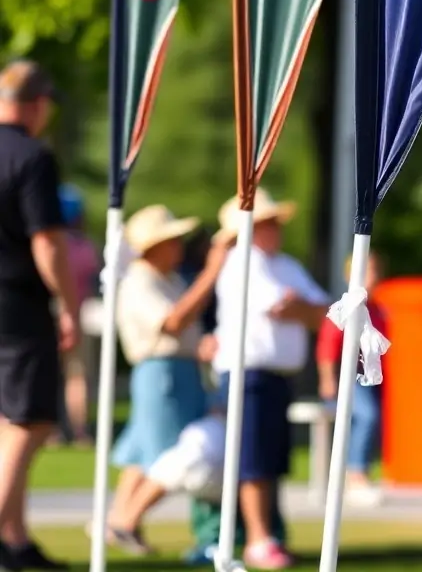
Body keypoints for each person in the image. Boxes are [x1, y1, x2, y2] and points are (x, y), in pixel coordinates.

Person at [214, 189, 329, 572]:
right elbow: (281, 307)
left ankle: (269, 534)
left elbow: (321, 312)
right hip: (248, 373)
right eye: (268, 221)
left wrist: (298, 308)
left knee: (272, 461)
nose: (276, 228)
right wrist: (299, 308)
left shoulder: (285, 265)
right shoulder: (240, 262)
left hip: (276, 376)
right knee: (254, 461)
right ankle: (258, 539)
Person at [107, 205, 231, 554]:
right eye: (172, 240)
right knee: (169, 455)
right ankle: (124, 520)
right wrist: (212, 272)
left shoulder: (170, 279)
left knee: (142, 453)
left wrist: (200, 344)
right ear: (154, 246)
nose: (179, 246)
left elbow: (184, 327)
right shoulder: (138, 279)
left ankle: (120, 521)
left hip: (180, 368)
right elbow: (172, 323)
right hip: (161, 371)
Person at [0, 59, 79, 572]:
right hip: (16, 302)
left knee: (6, 424)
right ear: (37, 104)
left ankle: (15, 542)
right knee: (30, 420)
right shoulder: (32, 156)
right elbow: (47, 242)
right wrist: (69, 305)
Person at [316, 251, 387, 501]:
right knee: (367, 417)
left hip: (369, 378)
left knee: (372, 422)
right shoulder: (347, 306)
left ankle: (360, 471)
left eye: (375, 271)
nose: (374, 277)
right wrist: (327, 379)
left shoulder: (378, 308)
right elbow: (328, 344)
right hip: (347, 377)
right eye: (368, 271)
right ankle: (355, 475)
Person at [56, 184, 99, 444]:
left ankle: (52, 431)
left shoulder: (45, 242)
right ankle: (80, 431)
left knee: (45, 375)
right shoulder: (85, 247)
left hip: (45, 313)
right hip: (77, 313)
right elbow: (92, 283)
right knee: (77, 376)